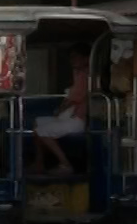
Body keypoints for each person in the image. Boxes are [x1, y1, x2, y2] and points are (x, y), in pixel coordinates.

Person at [32, 44, 92, 174]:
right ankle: (39, 162)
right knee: (37, 122)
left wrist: (60, 109)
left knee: (41, 131)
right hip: (68, 117)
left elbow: (76, 97)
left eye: (75, 57)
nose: (72, 61)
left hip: (78, 120)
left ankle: (65, 164)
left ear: (86, 58)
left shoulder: (87, 75)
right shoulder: (78, 74)